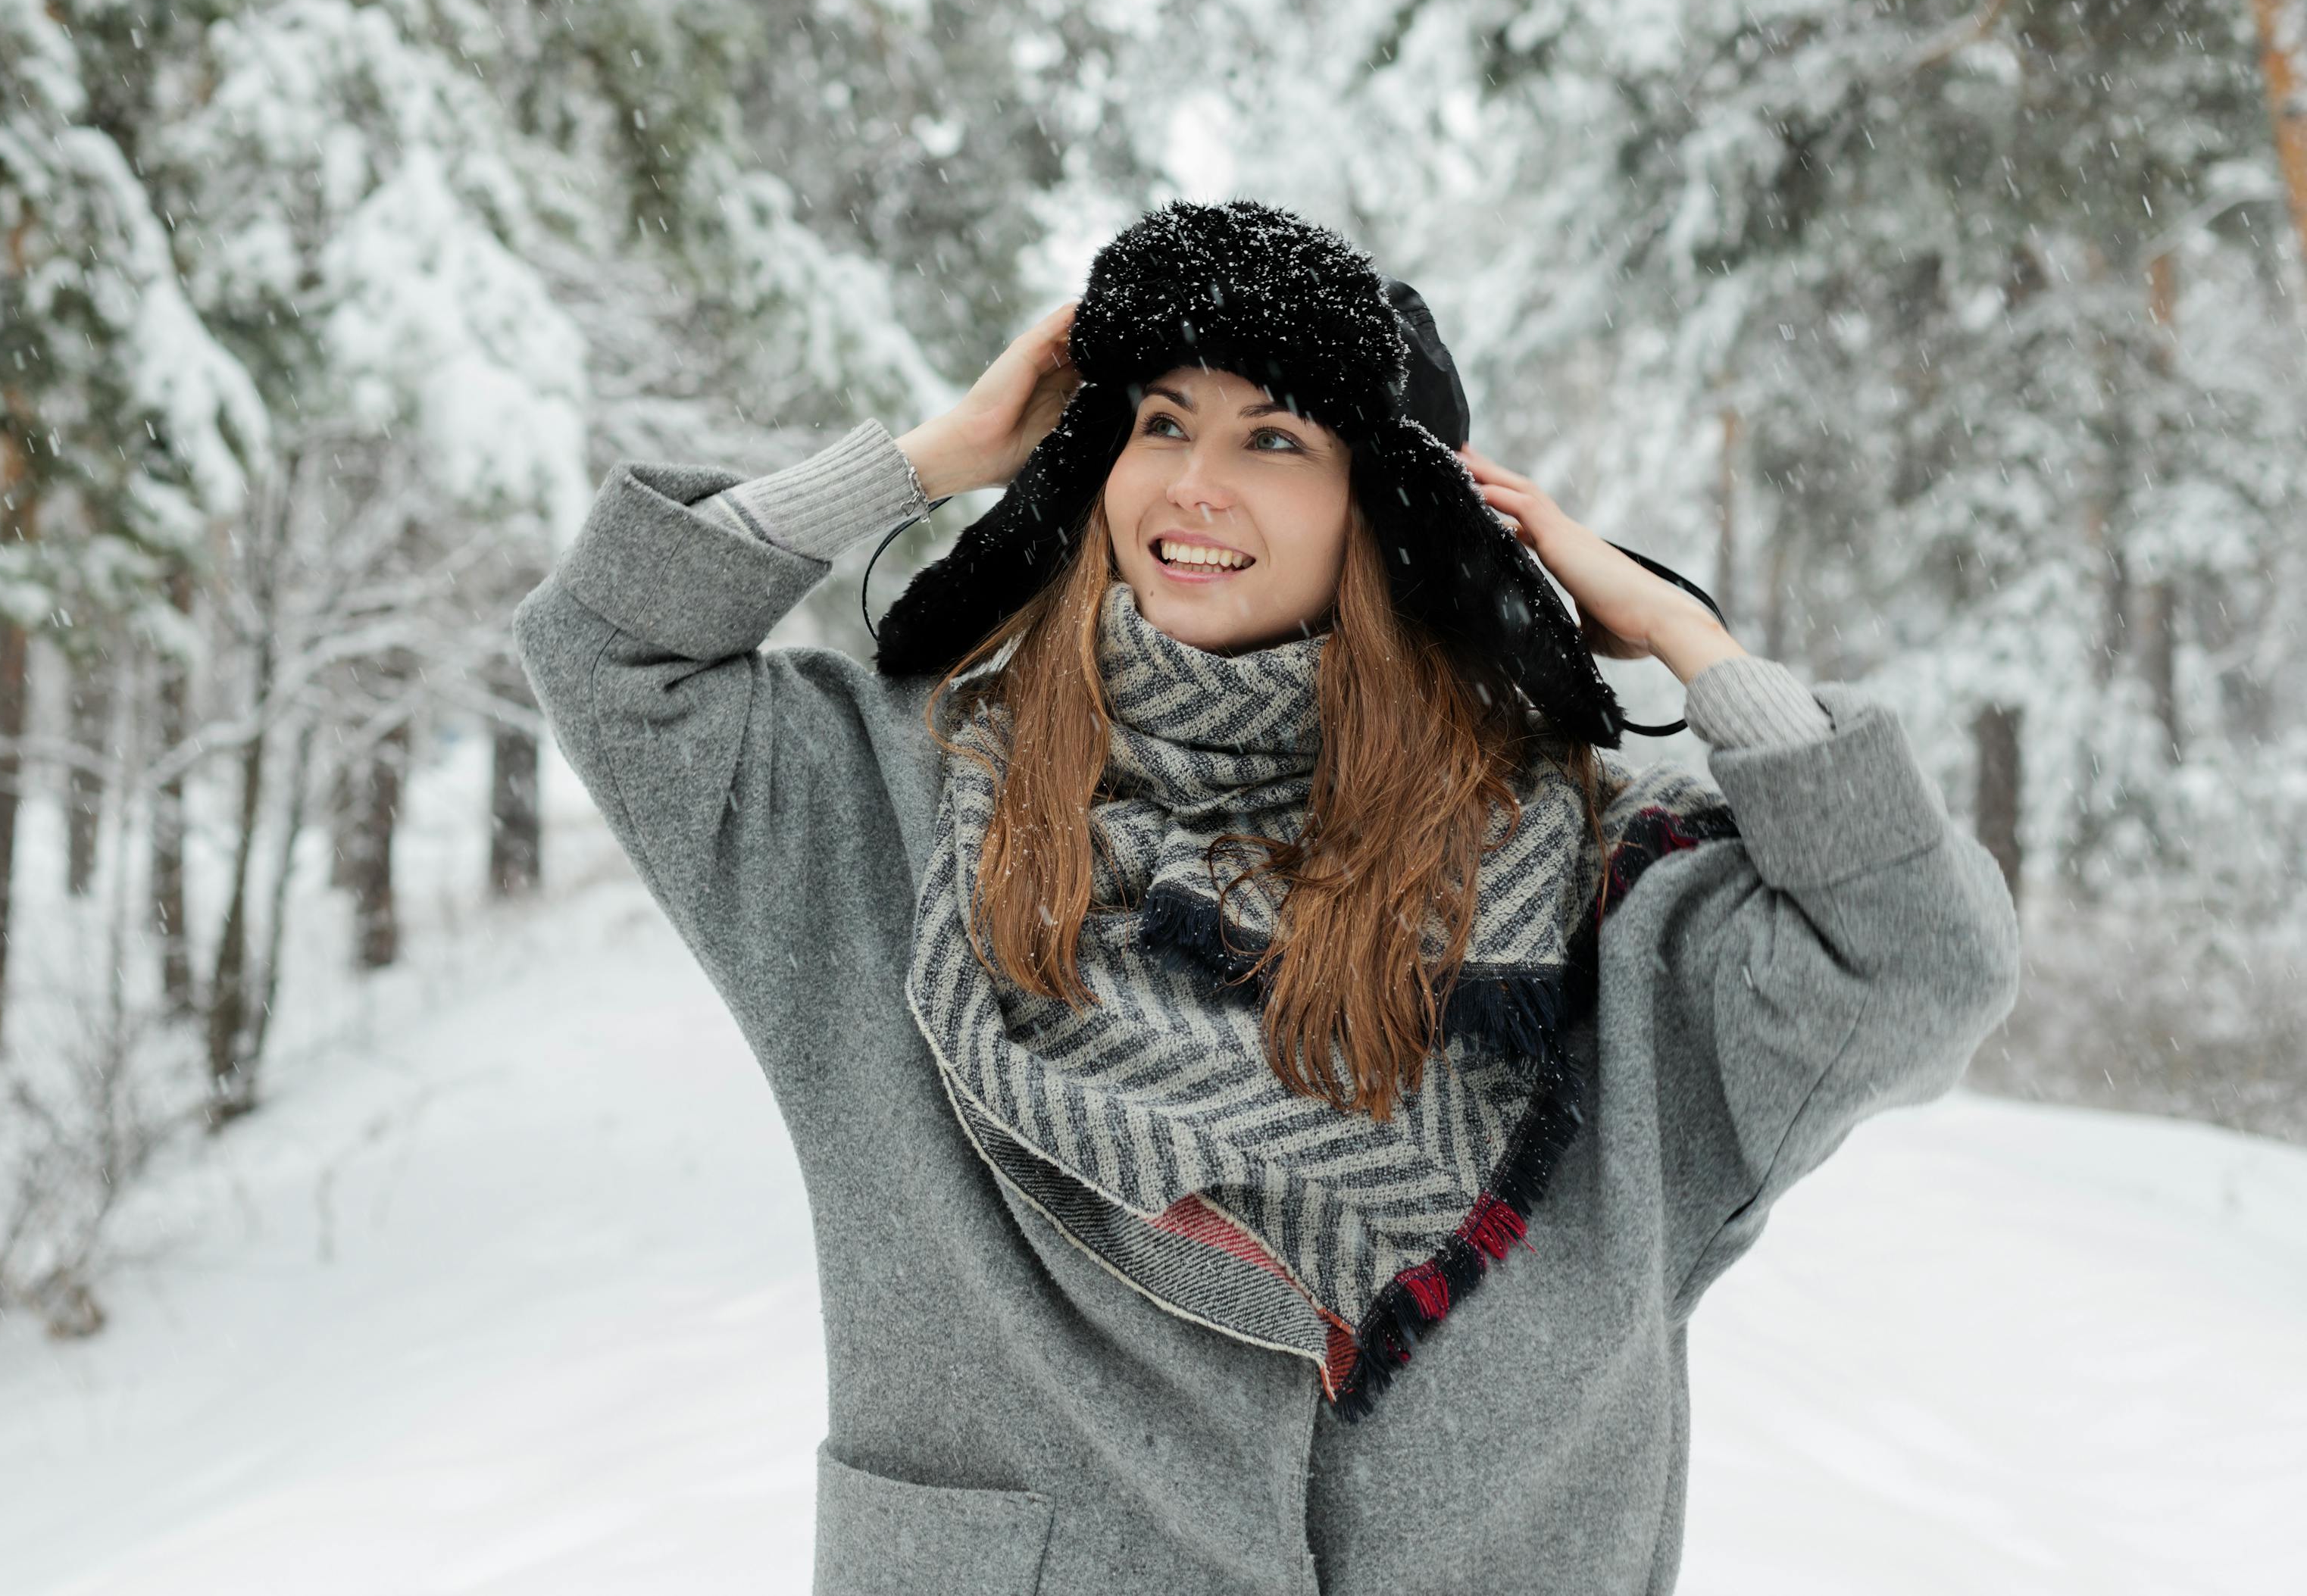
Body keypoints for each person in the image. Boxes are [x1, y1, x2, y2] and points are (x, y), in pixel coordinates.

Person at [514, 199, 2021, 1595]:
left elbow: (1917, 965)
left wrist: (1692, 646)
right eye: (1155, 424)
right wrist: (923, 459)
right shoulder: (891, 814)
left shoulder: (1607, 905)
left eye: (1271, 439)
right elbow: (613, 658)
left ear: (1394, 510)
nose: (1187, 483)